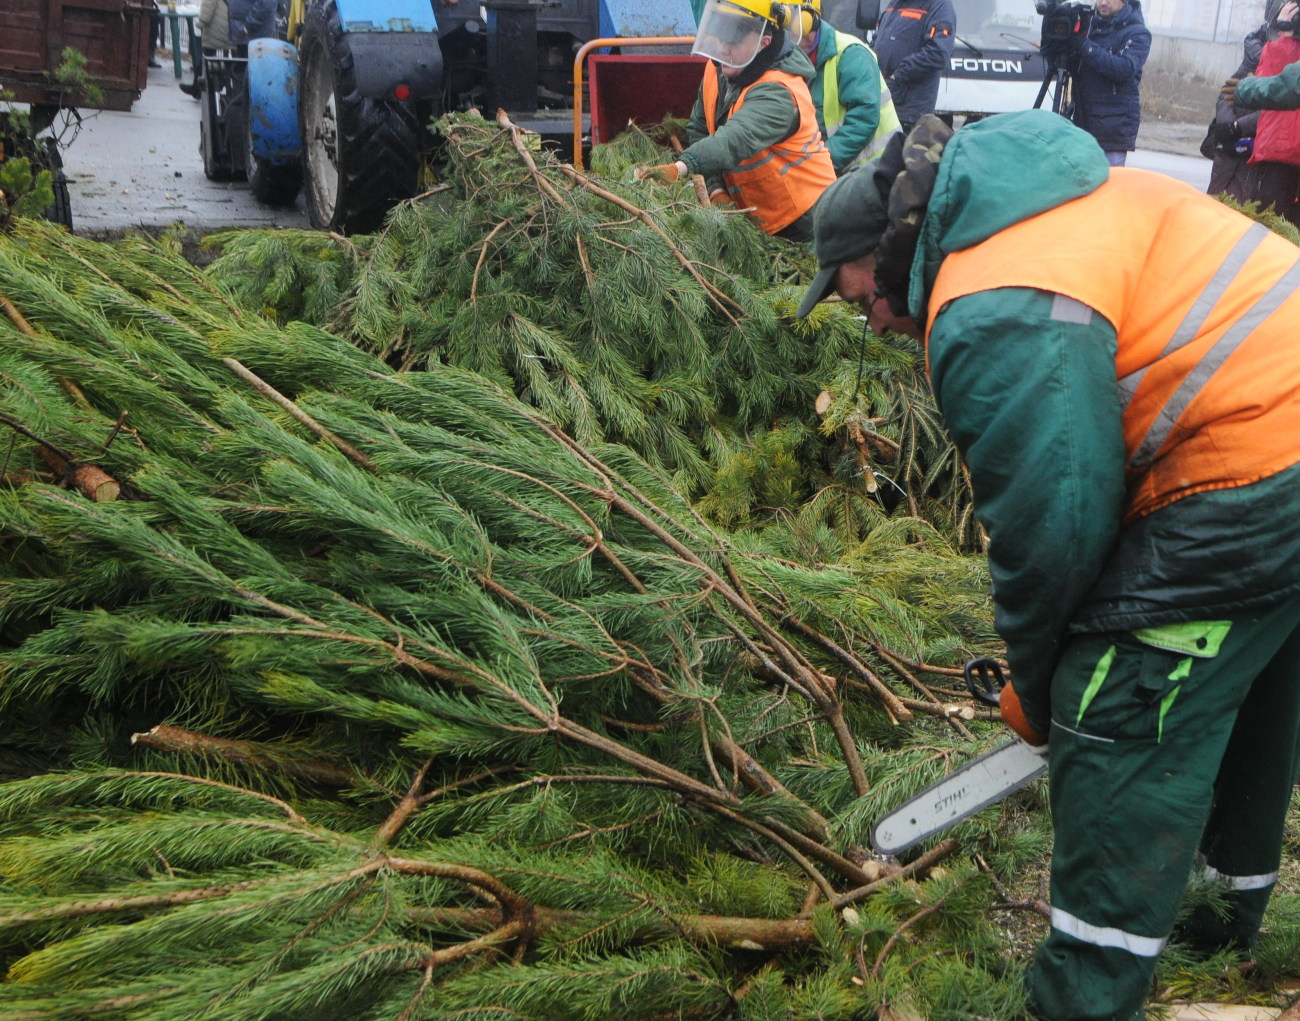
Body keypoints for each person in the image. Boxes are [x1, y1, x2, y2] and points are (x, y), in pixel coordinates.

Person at [796, 109, 1300, 1020]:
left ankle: (1080, 996)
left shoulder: (991, 298)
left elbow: (1055, 528)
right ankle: (1222, 918)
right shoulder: (1053, 204)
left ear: (882, 250)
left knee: (1121, 697)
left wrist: (1040, 685)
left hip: (1257, 464)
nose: (868, 319)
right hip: (1278, 442)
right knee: (1246, 672)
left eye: (852, 293)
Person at [634, 0, 836, 243]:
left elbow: (732, 141)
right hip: (759, 219)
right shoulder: (718, 69)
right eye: (719, 36)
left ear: (764, 41)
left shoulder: (780, 91)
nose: (722, 48)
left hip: (806, 221)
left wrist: (680, 168)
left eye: (733, 40)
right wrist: (716, 188)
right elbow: (700, 129)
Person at [792, 0, 901, 173]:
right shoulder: (796, 59)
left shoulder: (850, 54)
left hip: (874, 173)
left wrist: (817, 162)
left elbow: (863, 120)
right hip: (840, 172)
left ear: (805, 21)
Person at [1232, 1, 1300, 226]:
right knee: (1270, 231)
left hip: (1281, 149)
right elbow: (1270, 80)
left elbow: (1275, 86)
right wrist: (1285, 37)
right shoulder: (1280, 42)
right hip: (1277, 150)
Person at [1067, 0, 1151, 166]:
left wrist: (1085, 46)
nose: (1103, 3)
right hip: (1083, 122)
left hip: (1113, 128)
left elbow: (1124, 69)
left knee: (1109, 186)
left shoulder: (1138, 33)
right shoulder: (1089, 26)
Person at [1204, 16, 1268, 202]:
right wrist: (1227, 125)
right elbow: (1227, 91)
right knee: (1214, 204)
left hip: (1255, 151)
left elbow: (1278, 110)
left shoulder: (1288, 60)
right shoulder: (1254, 53)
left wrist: (1239, 126)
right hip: (1228, 147)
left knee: (1241, 212)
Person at [870, 0, 955, 133]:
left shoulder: (939, 5)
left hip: (908, 113)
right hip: (881, 102)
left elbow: (938, 53)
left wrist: (896, 77)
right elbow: (877, 41)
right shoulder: (894, 3)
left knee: (899, 152)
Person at [180, 0, 231, 99]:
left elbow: (207, 11)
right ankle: (216, 84)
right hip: (226, 27)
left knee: (204, 60)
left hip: (215, 29)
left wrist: (200, 23)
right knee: (218, 59)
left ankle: (199, 88)